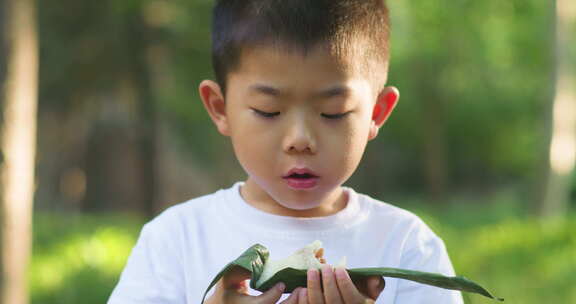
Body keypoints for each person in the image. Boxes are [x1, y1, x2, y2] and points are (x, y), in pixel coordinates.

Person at [108, 0, 464, 303]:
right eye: (268, 111)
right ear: (220, 108)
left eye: (332, 113)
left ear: (376, 113)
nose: (300, 139)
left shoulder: (406, 247)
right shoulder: (176, 240)